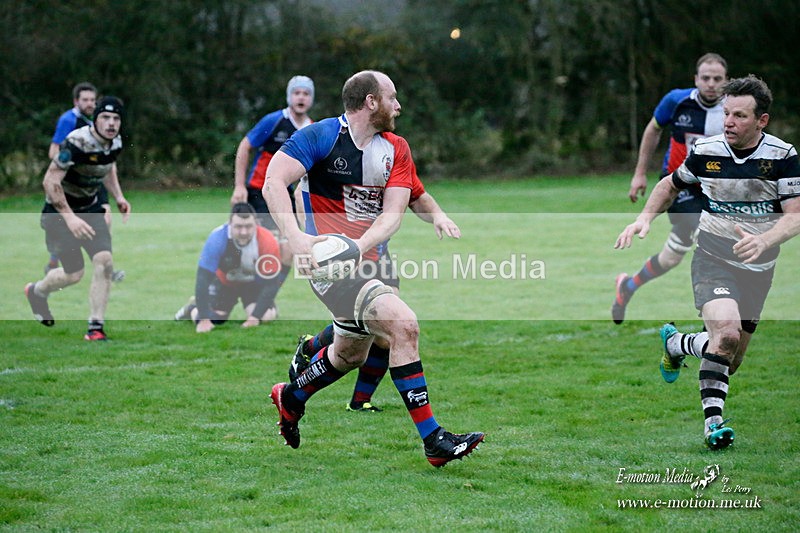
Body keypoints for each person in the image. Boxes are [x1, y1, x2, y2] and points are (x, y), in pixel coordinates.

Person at [263, 70, 484, 467]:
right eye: (392, 98)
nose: (398, 106)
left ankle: (292, 395)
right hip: (330, 267)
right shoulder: (321, 136)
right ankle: (433, 440)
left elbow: (394, 213)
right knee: (403, 325)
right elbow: (273, 182)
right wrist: (296, 238)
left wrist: (359, 247)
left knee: (350, 353)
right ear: (370, 102)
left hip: (372, 261)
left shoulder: (396, 148)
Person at [614, 75, 800, 450]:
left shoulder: (783, 156)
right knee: (726, 334)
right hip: (713, 258)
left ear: (761, 121)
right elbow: (670, 184)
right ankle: (713, 426)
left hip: (759, 271)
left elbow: (795, 214)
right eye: (726, 113)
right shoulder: (708, 151)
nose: (728, 121)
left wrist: (764, 240)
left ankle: (678, 344)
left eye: (740, 116)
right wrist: (645, 217)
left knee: (728, 361)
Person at [289, 178, 462, 413]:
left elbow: (418, 195)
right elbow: (301, 190)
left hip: (379, 255)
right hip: (344, 257)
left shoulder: (392, 156)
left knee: (385, 332)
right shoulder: (341, 152)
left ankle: (355, 396)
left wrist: (438, 215)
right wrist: (306, 235)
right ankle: (308, 371)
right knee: (378, 328)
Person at [612, 53, 728, 324]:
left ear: (726, 81)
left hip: (715, 187)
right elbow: (653, 130)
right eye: (706, 78)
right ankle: (717, 317)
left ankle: (626, 287)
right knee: (708, 234)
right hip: (678, 185)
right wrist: (640, 173)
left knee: (671, 257)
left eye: (717, 79)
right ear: (696, 80)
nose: (711, 83)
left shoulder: (732, 109)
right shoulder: (676, 101)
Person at [24, 96, 131, 341]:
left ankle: (95, 328)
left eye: (116, 118)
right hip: (59, 214)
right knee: (74, 274)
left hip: (90, 208)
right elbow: (50, 182)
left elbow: (108, 166)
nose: (111, 123)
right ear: (95, 119)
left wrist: (118, 196)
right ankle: (37, 292)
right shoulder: (76, 142)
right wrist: (71, 219)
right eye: (105, 117)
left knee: (104, 261)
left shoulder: (115, 143)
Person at [46, 82, 125, 282]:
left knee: (106, 218)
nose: (89, 103)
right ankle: (56, 258)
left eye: (92, 99)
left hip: (95, 182)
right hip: (72, 182)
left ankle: (106, 267)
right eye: (85, 100)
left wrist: (118, 195)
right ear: (76, 101)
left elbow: (108, 161)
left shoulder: (102, 123)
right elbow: (54, 151)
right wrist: (70, 162)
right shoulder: (69, 121)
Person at [174, 203, 290, 333]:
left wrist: (254, 318)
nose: (243, 232)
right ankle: (191, 308)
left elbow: (271, 284)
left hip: (252, 284)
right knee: (215, 319)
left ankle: (265, 310)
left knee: (265, 316)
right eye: (238, 227)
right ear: (230, 224)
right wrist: (204, 320)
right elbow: (203, 279)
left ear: (256, 223)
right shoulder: (217, 238)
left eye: (248, 226)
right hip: (224, 283)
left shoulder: (267, 240)